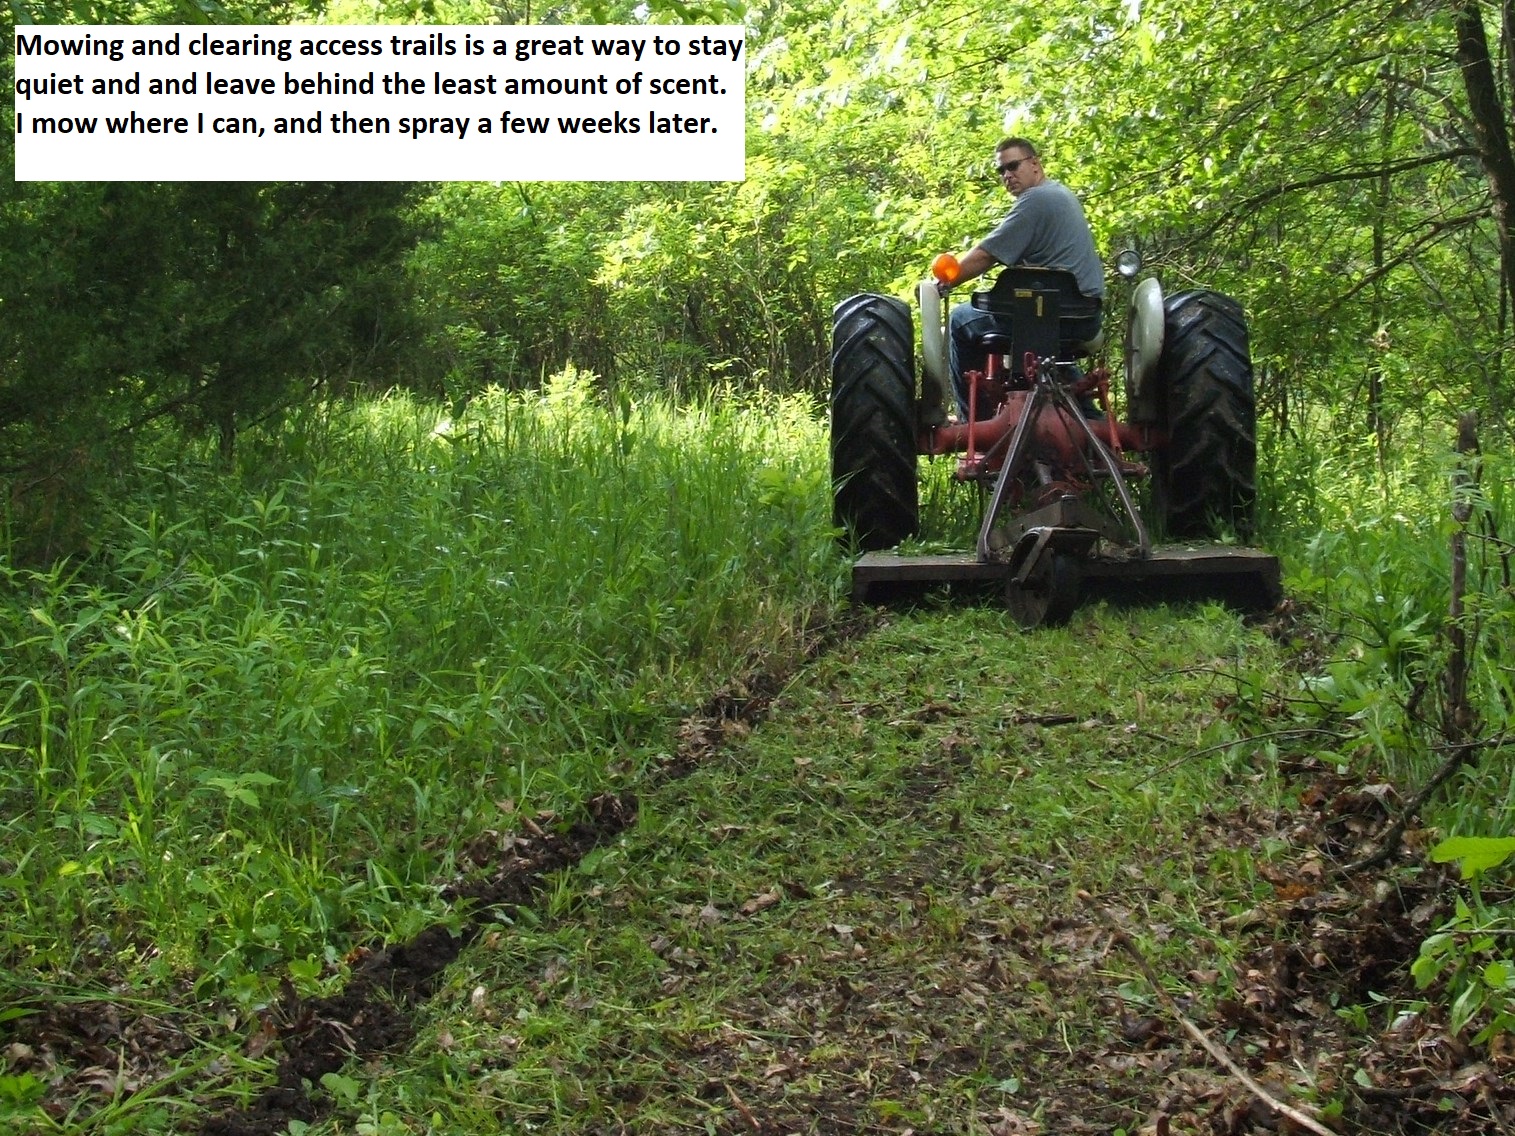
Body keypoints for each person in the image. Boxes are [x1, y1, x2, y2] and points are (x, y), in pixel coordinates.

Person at [938, 138, 1104, 416]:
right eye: (1001, 170)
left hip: (1049, 318)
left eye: (1013, 166)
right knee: (1048, 337)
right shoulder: (1061, 195)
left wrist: (944, 282)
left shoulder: (1036, 200)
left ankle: (973, 422)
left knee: (959, 320)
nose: (1007, 175)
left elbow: (985, 255)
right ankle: (1089, 418)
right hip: (1084, 319)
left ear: (1035, 164)